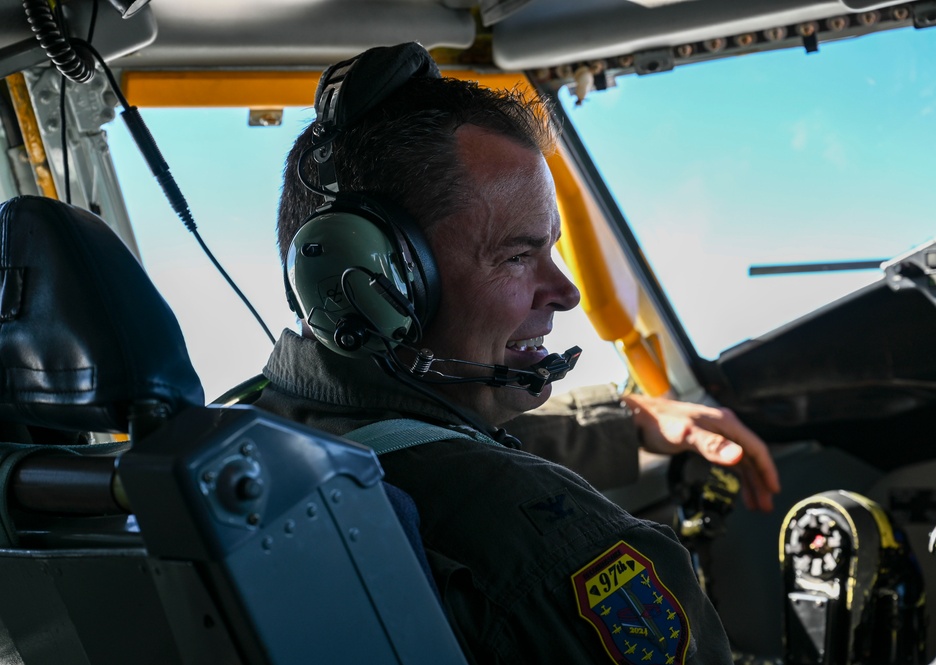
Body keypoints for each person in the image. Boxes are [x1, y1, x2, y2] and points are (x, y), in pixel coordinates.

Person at [255, 42, 779, 664]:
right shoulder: (566, 562)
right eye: (516, 255)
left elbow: (429, 444)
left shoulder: (252, 436)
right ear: (381, 281)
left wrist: (630, 421)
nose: (566, 292)